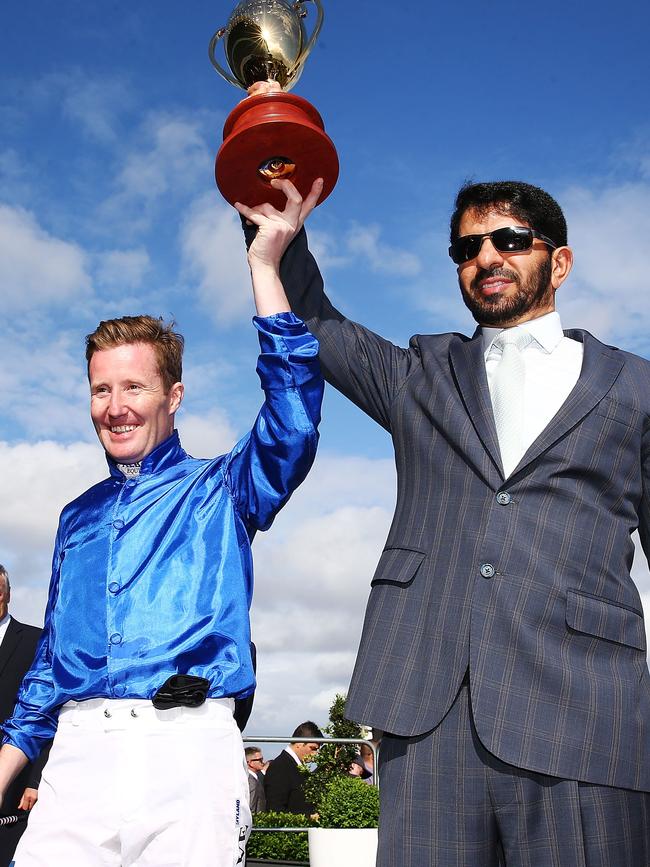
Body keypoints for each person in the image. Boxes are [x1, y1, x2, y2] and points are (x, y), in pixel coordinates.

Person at [238, 178, 650, 865]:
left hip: (587, 712)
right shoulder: (420, 374)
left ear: (561, 261)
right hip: (430, 715)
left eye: (511, 239)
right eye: (467, 246)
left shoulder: (636, 388)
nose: (487, 256)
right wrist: (269, 218)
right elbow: (314, 317)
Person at [0, 186, 323, 867]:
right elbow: (51, 667)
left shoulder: (224, 487)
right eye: (101, 389)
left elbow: (293, 415)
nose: (115, 407)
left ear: (173, 396)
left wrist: (265, 267)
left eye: (134, 387)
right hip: (77, 762)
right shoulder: (74, 516)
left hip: (187, 756)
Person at [0, 566, 50, 867]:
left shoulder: (36, 642)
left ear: (5, 594)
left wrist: (36, 780)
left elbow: (47, 712)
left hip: (18, 778)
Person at [263, 721, 323, 815]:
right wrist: (308, 816)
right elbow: (275, 810)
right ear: (299, 743)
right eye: (313, 748)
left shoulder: (292, 765)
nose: (315, 754)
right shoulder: (280, 767)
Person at [245, 746, 267, 814]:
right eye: (259, 760)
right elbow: (251, 807)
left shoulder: (253, 779)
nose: (263, 762)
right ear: (250, 763)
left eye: (262, 759)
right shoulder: (252, 781)